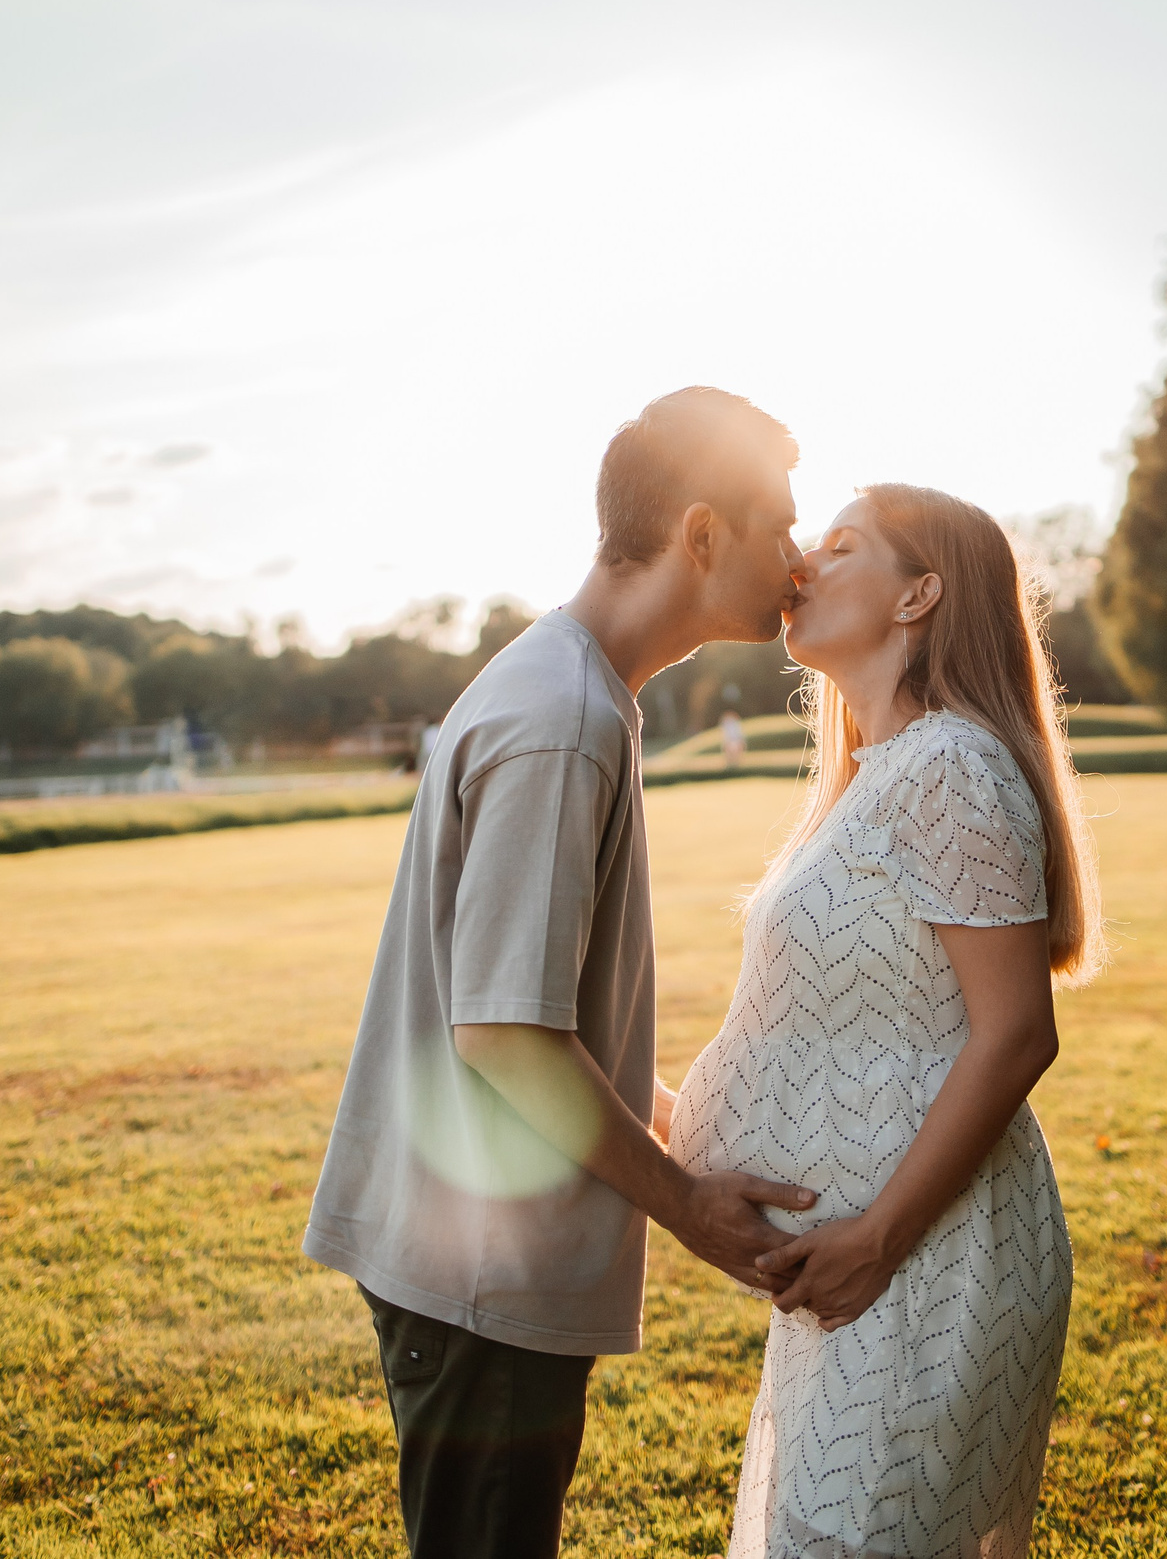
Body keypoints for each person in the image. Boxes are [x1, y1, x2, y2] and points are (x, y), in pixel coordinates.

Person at [302, 386, 819, 1559]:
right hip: (479, 1272)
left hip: (473, 1260)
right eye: (778, 525)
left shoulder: (575, 690)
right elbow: (506, 1038)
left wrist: (681, 1125)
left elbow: (539, 1011)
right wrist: (686, 1207)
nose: (797, 555)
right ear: (698, 537)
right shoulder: (563, 718)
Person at [669, 483, 1104, 1559]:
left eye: (841, 544)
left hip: (923, 1256)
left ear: (921, 593)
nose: (801, 564)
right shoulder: (878, 775)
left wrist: (875, 1235)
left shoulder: (951, 766)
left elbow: (1017, 1034)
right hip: (865, 1270)